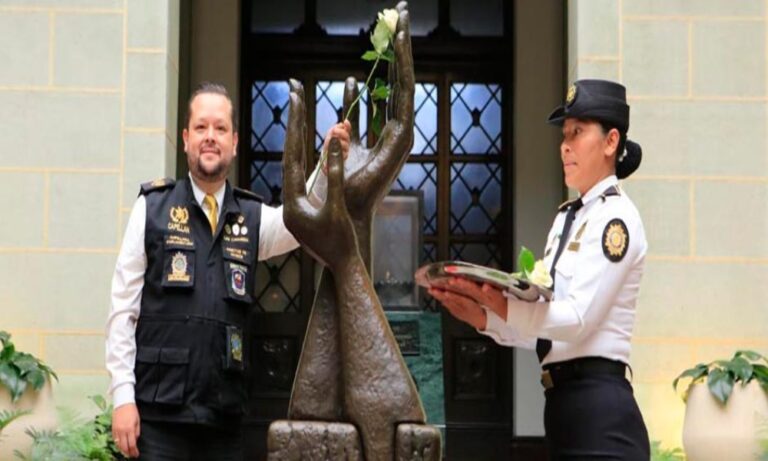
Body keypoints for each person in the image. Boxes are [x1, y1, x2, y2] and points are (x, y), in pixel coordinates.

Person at [105, 82, 350, 460]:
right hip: (158, 421)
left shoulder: (250, 216)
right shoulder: (151, 208)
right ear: (185, 139)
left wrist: (326, 166)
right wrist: (123, 397)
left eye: (220, 128)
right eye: (201, 127)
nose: (210, 137)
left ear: (234, 142)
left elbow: (297, 224)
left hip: (223, 421)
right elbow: (123, 310)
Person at [429, 79, 650, 460]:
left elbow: (577, 319)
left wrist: (501, 305)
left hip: (601, 414)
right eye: (564, 135)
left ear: (611, 142)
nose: (564, 145)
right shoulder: (567, 218)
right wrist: (483, 316)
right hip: (564, 409)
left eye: (577, 132)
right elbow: (548, 333)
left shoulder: (616, 218)